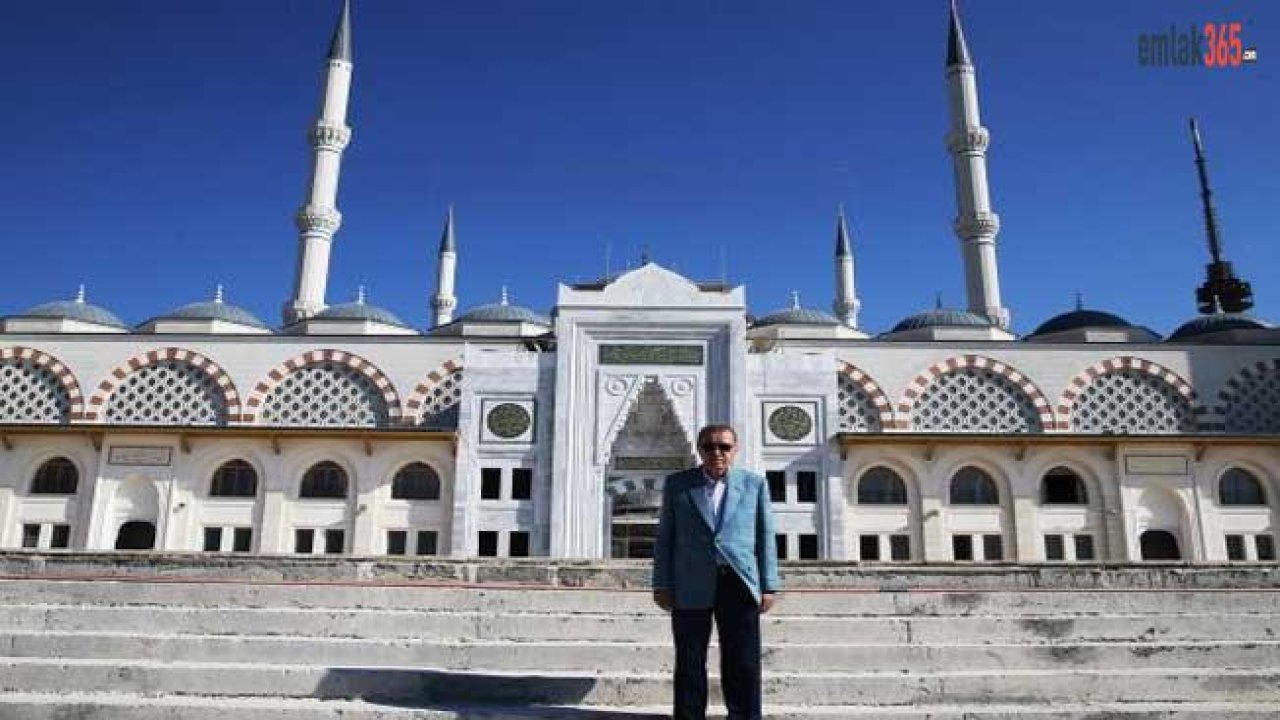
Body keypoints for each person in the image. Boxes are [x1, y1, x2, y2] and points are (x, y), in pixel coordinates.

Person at [652, 423, 781, 720]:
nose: (717, 453)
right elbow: (665, 539)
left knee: (742, 659)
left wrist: (769, 585)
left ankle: (744, 715)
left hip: (738, 580)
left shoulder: (754, 485)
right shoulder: (679, 485)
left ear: (735, 450)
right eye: (709, 446)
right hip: (690, 582)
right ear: (699, 449)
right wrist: (662, 583)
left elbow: (765, 537)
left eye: (724, 446)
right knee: (689, 658)